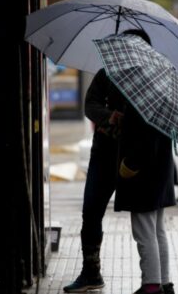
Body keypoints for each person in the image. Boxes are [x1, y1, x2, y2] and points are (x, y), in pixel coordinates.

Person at [63, 30, 150, 293]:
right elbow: (90, 104)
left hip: (133, 155)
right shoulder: (107, 73)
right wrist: (109, 116)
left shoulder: (148, 79)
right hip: (103, 153)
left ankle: (154, 282)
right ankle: (91, 272)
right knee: (91, 211)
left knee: (145, 222)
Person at [116, 98, 176, 294]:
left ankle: (151, 286)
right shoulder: (165, 98)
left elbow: (143, 139)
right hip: (160, 173)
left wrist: (129, 165)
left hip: (143, 177)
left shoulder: (141, 101)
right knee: (158, 231)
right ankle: (164, 283)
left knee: (144, 232)